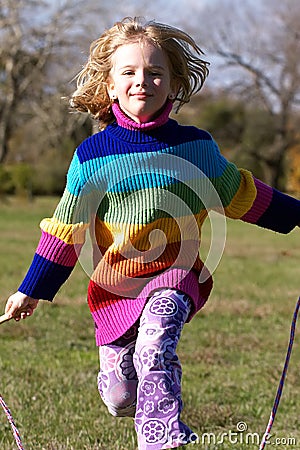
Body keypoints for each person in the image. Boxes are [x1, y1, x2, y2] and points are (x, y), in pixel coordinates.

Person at [4, 16, 300, 450]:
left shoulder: (196, 149)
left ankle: (160, 438)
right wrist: (31, 288)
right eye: (129, 72)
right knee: (122, 396)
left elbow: (240, 194)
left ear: (173, 84)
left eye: (155, 72)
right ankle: (122, 387)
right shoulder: (92, 158)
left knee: (155, 344)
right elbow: (66, 231)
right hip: (116, 286)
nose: (142, 81)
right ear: (109, 85)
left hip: (177, 276)